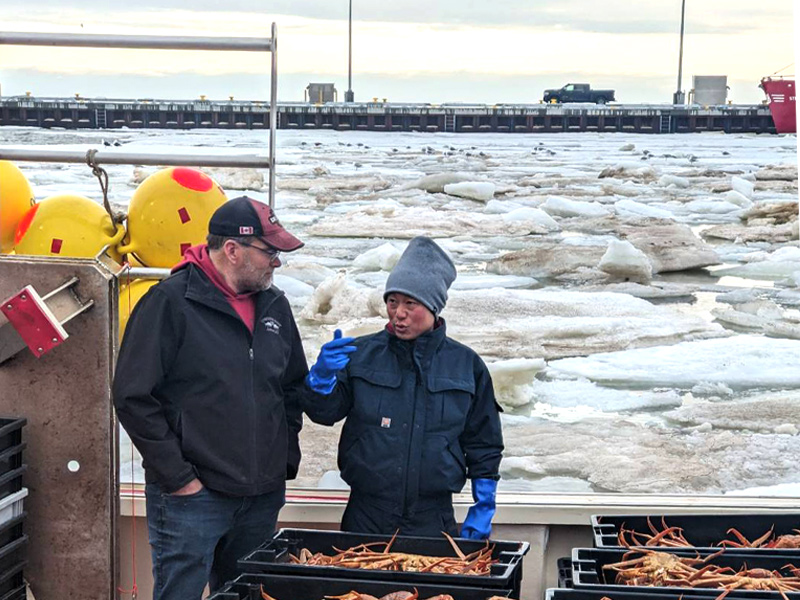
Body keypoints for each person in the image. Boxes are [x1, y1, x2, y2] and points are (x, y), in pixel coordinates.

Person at [113, 196, 308, 600]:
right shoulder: (169, 303)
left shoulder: (276, 306)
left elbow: (291, 388)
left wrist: (282, 460)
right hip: (192, 498)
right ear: (233, 250)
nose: (277, 262)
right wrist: (180, 479)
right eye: (269, 252)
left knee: (249, 594)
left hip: (260, 496)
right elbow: (132, 396)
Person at [302, 236, 504, 539]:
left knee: (432, 588)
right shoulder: (360, 354)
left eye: (411, 303)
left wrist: (484, 504)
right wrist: (321, 378)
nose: (399, 312)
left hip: (432, 517)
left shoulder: (466, 365)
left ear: (434, 307)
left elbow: (484, 443)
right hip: (366, 512)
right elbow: (324, 413)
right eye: (392, 301)